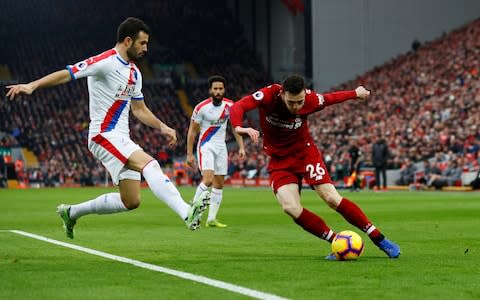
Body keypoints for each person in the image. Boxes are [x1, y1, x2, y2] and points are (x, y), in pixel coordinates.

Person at [6, 17, 210, 238]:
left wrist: (162, 126)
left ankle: (71, 212)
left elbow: (139, 109)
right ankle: (186, 212)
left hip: (121, 138)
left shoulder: (135, 73)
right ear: (128, 40)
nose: (146, 48)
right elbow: (68, 73)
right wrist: (32, 85)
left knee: (130, 200)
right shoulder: (104, 61)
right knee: (150, 165)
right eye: (142, 43)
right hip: (103, 134)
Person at [230, 74, 400, 259]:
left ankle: (379, 238)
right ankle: (337, 242)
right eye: (292, 102)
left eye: (300, 102)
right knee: (290, 207)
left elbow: (330, 98)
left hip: (305, 154)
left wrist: (355, 93)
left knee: (331, 198)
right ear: (282, 94)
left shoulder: (310, 100)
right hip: (280, 161)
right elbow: (239, 106)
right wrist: (239, 127)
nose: (296, 107)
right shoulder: (269, 95)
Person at [186, 75, 245, 228]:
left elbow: (235, 127)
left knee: (219, 184)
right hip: (206, 146)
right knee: (208, 179)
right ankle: (191, 208)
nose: (218, 91)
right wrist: (189, 154)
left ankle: (211, 219)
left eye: (220, 89)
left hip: (221, 147)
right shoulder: (201, 108)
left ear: (224, 90)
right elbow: (192, 131)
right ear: (210, 90)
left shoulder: (230, 106)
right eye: (215, 89)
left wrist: (241, 146)